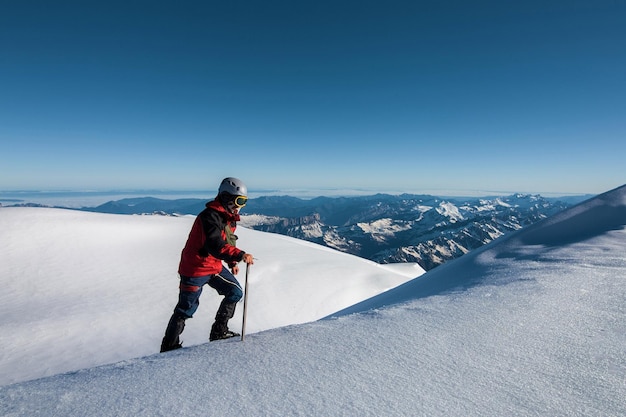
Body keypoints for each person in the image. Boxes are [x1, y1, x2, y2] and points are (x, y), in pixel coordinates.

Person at [160, 177, 254, 352]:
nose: (240, 206)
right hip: (195, 269)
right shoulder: (210, 217)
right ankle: (168, 347)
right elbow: (215, 245)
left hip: (213, 266)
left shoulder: (227, 217)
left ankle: (219, 331)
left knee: (235, 292)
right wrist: (240, 255)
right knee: (185, 310)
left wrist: (232, 261)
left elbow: (228, 239)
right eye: (239, 201)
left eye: (244, 202)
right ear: (226, 197)